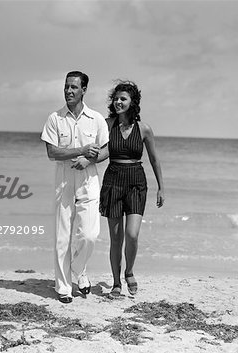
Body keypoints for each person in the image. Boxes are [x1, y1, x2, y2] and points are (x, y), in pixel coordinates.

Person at [41, 71, 109, 304]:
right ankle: (63, 287)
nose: (69, 91)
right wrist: (81, 150)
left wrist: (89, 159)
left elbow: (106, 150)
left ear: (84, 90)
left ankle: (78, 270)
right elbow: (52, 152)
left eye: (73, 87)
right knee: (63, 236)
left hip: (89, 179)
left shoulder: (96, 119)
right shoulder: (55, 118)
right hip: (63, 178)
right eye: (66, 87)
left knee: (90, 235)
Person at [99, 80, 164, 297]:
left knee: (132, 234)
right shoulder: (107, 125)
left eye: (123, 99)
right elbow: (101, 153)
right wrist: (82, 158)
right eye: (116, 99)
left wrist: (161, 188)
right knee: (116, 238)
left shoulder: (144, 129)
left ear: (132, 102)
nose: (118, 102)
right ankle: (116, 282)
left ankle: (129, 271)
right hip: (113, 181)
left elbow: (154, 160)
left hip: (136, 182)